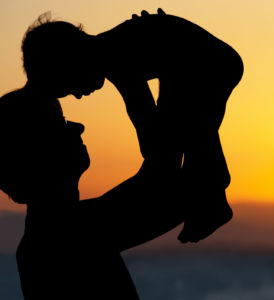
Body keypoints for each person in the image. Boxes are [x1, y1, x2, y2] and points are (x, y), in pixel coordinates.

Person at [22, 9, 244, 243]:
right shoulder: (114, 49)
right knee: (187, 135)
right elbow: (145, 116)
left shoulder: (117, 57)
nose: (77, 95)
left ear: (70, 60)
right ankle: (211, 196)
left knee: (185, 135)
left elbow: (141, 113)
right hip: (199, 67)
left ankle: (213, 199)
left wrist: (152, 151)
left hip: (206, 67)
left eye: (69, 86)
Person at [0, 34, 185, 300]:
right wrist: (142, 75)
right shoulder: (68, 238)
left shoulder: (65, 232)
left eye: (63, 119)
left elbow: (160, 173)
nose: (78, 127)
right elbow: (167, 179)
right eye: (58, 126)